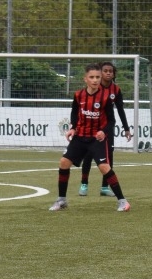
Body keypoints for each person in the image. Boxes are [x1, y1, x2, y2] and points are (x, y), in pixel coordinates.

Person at [51, 64, 130, 211]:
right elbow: (74, 113)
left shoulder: (105, 98)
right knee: (64, 162)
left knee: (104, 167)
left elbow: (111, 120)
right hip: (80, 137)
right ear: (85, 79)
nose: (95, 80)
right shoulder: (78, 95)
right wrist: (73, 128)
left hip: (96, 139)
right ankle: (61, 200)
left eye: (97, 77)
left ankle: (123, 201)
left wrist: (104, 132)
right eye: (92, 77)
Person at [79, 61, 132, 197]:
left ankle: (104, 187)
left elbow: (120, 110)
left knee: (109, 156)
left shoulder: (116, 90)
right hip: (91, 127)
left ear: (113, 74)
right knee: (88, 154)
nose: (108, 73)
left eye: (110, 71)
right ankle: (84, 184)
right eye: (105, 71)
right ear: (100, 73)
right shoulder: (93, 87)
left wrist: (126, 128)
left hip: (107, 128)